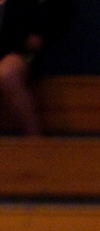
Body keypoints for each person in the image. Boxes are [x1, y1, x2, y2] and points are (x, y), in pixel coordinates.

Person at [0, 0, 73, 135]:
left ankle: (36, 143)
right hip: (11, 44)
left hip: (20, 52)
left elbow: (34, 41)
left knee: (6, 73)